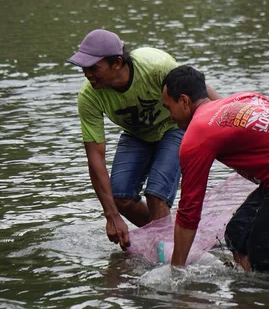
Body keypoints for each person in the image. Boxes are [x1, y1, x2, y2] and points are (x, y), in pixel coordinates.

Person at [161, 65, 269, 274]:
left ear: (184, 101)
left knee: (265, 258)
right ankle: (250, 286)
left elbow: (189, 211)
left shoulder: (197, 133)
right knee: (237, 234)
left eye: (168, 107)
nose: (169, 116)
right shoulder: (245, 98)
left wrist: (176, 272)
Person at [67, 30, 219, 250]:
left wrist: (229, 119)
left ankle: (168, 255)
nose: (87, 74)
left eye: (93, 68)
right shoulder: (89, 96)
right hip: (136, 135)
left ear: (117, 63)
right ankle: (176, 241)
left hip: (172, 127)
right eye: (83, 68)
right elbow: (95, 158)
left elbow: (197, 91)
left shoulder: (155, 66)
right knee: (120, 198)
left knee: (156, 195)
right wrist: (112, 216)